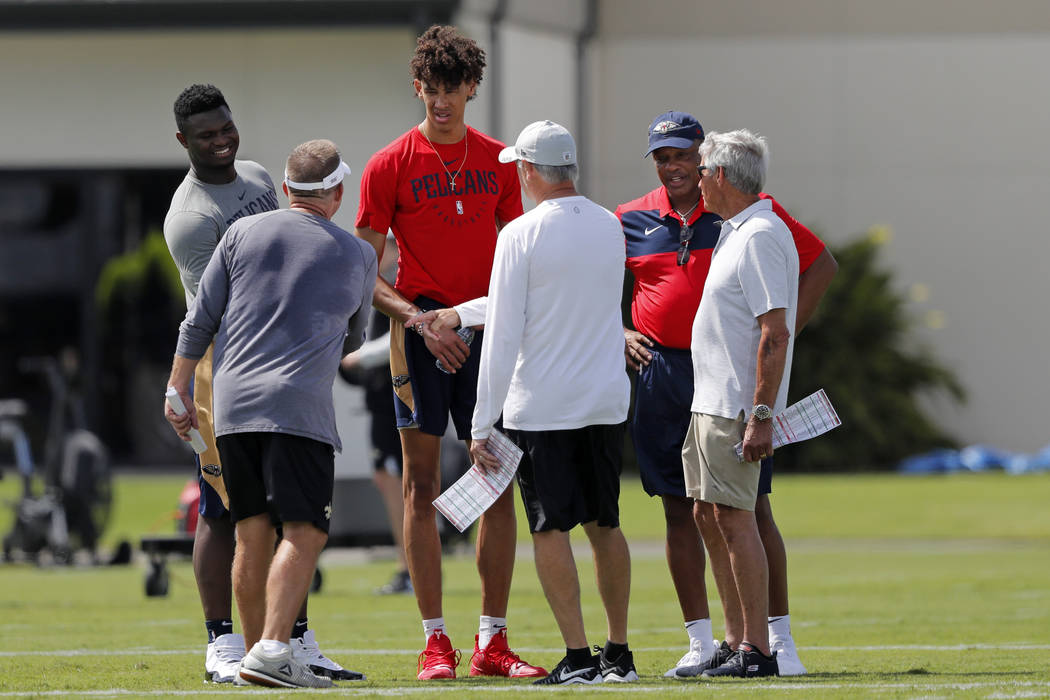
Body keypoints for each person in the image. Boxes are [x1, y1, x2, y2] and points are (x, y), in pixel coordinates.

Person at [615, 110, 835, 677]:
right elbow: (593, 285)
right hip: (667, 375)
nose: (673, 167)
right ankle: (715, 642)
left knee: (748, 511)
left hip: (733, 388)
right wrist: (619, 331)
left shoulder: (755, 222)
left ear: (708, 163)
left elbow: (812, 276)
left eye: (684, 156)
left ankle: (769, 643)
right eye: (660, 158)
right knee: (692, 510)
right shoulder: (634, 217)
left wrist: (771, 352)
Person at [354, 25, 544, 680]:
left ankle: (493, 640)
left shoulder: (499, 163)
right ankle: (435, 640)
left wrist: (477, 321)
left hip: (488, 335)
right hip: (419, 334)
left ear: (471, 89)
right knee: (422, 484)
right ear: (418, 88)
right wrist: (423, 321)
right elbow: (363, 269)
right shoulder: (388, 164)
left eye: (451, 91)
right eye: (429, 91)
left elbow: (520, 260)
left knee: (497, 476)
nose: (440, 103)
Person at [164, 139, 377, 688]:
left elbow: (199, 320)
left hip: (231, 408)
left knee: (251, 529)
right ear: (336, 192)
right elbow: (353, 335)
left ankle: (260, 662)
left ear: (284, 189)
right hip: (298, 409)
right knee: (304, 532)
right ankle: (274, 649)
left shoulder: (238, 234)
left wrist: (176, 389)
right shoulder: (357, 254)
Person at [468, 120, 635, 686]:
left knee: (549, 529)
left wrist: (480, 420)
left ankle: (580, 657)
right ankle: (619, 651)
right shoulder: (611, 226)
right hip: (605, 400)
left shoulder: (519, 233)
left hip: (542, 405)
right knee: (605, 524)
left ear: (530, 171)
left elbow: (503, 333)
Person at [683, 128, 798, 678]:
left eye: (702, 170)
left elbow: (773, 333)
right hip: (709, 402)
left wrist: (760, 415)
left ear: (722, 176)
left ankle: (758, 649)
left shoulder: (758, 236)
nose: (696, 179)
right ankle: (736, 640)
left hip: (733, 407)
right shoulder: (738, 230)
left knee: (735, 517)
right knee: (709, 514)